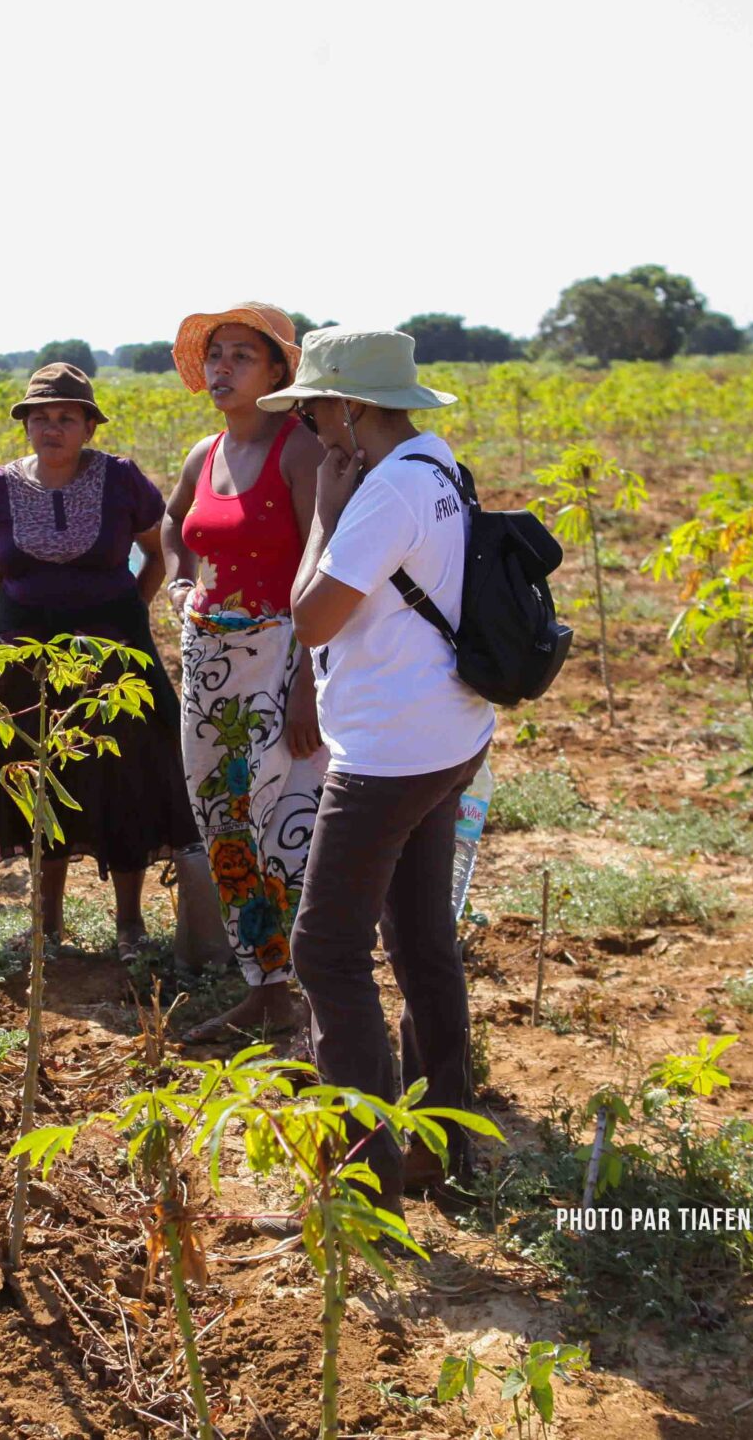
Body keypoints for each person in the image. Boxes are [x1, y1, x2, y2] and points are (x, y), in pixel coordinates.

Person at [262, 328, 493, 1209]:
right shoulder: (440, 465)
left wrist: (323, 507)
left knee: (325, 951)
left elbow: (311, 617)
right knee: (422, 938)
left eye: (319, 409)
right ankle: (447, 1148)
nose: (314, 428)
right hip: (451, 733)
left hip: (389, 751)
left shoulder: (380, 489)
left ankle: (366, 1184)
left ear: (354, 409)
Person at [0, 363, 210, 962]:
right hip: (23, 660)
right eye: (39, 417)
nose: (51, 428)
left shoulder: (122, 480)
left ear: (88, 426)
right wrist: (26, 603)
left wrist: (131, 604)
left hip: (115, 659)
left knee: (125, 776)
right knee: (34, 776)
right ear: (26, 426)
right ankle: (46, 924)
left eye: (65, 417)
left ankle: (129, 925)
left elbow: (157, 551)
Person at [159, 305, 329, 1042]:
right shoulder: (204, 452)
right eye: (216, 355)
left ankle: (306, 989)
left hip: (282, 660)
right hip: (209, 666)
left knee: (286, 821)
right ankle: (262, 985)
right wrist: (177, 583)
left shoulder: (301, 452)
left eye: (242, 356)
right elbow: (174, 524)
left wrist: (306, 683)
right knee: (223, 820)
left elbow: (326, 566)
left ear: (278, 372)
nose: (223, 368)